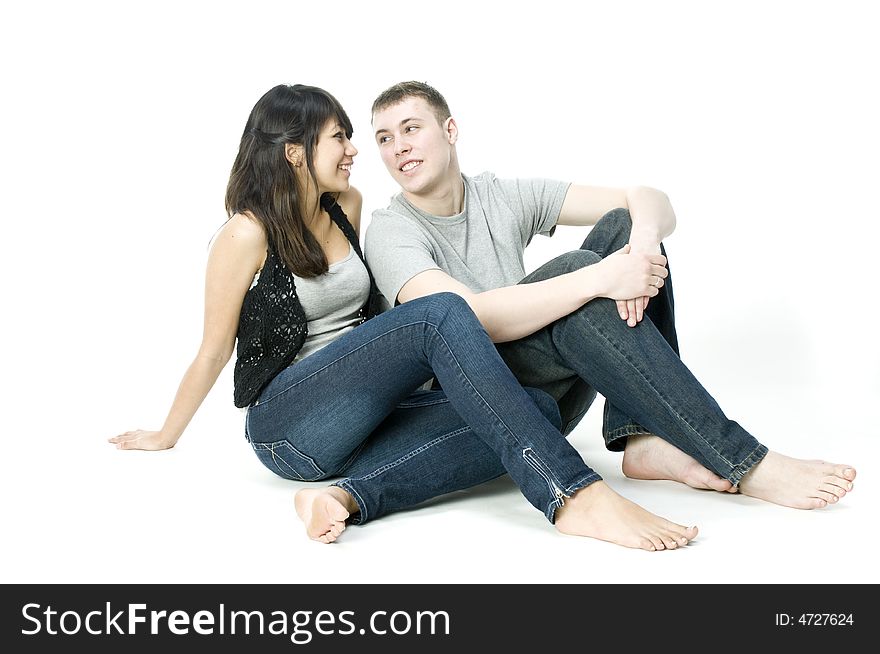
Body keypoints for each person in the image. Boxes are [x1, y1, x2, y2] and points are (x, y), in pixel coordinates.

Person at [108, 83, 699, 552]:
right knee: (438, 312)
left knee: (533, 409)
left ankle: (343, 498)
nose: (355, 150)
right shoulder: (244, 234)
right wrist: (166, 434)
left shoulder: (347, 207)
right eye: (339, 138)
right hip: (288, 422)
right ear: (294, 153)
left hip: (368, 415)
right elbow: (214, 348)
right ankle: (573, 494)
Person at [363, 80, 857, 510]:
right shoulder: (390, 231)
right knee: (586, 270)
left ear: (450, 131)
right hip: (477, 398)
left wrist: (641, 244)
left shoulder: (497, 195)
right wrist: (598, 280)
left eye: (411, 128)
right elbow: (465, 320)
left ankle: (641, 438)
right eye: (385, 138)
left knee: (624, 226)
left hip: (545, 380)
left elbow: (648, 199)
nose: (398, 147)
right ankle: (743, 459)